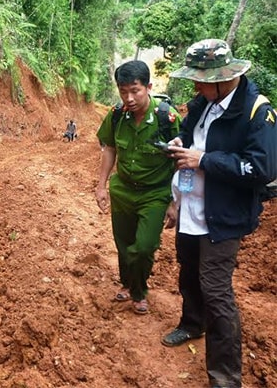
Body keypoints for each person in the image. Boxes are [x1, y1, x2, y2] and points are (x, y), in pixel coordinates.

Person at [162, 39, 277, 388]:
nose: (195, 86)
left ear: (222, 77)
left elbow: (263, 167)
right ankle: (192, 324)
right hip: (190, 207)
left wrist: (204, 160)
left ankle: (225, 377)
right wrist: (181, 144)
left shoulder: (257, 111)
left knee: (216, 290)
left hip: (223, 215)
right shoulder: (202, 102)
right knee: (189, 273)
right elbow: (189, 134)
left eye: (200, 79)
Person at [95, 60, 181, 315]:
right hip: (122, 191)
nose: (129, 98)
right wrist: (101, 186)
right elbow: (110, 148)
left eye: (135, 90)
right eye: (123, 91)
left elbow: (180, 159)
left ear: (148, 87)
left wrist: (174, 202)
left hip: (154, 194)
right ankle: (128, 284)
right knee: (123, 243)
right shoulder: (117, 115)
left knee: (143, 246)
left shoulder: (167, 117)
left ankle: (139, 290)